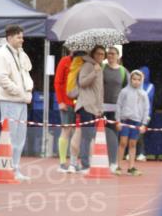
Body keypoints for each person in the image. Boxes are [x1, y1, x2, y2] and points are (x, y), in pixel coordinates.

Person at [0, 25, 34, 180]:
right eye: (19, 37)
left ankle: (15, 167)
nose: (22, 40)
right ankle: (7, 166)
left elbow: (26, 71)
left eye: (22, 37)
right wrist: (20, 92)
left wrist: (27, 91)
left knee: (20, 136)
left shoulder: (19, 53)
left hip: (21, 100)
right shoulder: (2, 54)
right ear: (9, 38)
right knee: (10, 135)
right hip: (10, 100)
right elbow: (2, 78)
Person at [75, 44, 106, 173]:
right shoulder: (88, 66)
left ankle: (86, 163)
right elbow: (82, 82)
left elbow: (99, 91)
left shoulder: (99, 67)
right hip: (86, 106)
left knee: (90, 136)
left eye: (102, 54)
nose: (100, 56)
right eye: (98, 53)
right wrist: (94, 72)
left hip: (94, 107)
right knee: (87, 136)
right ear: (93, 54)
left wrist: (100, 107)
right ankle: (84, 165)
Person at [115, 69, 150, 175]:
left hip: (137, 122)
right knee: (123, 143)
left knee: (133, 144)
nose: (136, 81)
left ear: (141, 80)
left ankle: (131, 167)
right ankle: (118, 166)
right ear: (130, 79)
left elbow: (146, 109)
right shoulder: (124, 92)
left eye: (138, 80)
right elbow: (119, 105)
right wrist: (118, 121)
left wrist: (144, 124)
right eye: (134, 79)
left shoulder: (143, 94)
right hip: (125, 121)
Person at [102, 46, 129, 172]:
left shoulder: (123, 71)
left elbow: (127, 91)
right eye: (108, 54)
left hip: (116, 109)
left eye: (113, 54)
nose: (110, 56)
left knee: (113, 136)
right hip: (101, 107)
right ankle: (98, 161)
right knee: (99, 136)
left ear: (118, 56)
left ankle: (113, 162)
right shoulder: (102, 68)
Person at [54, 46, 77, 173]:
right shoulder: (64, 61)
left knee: (76, 132)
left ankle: (74, 162)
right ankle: (62, 162)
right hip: (66, 103)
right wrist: (60, 101)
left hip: (78, 103)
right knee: (66, 131)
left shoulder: (83, 62)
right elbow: (57, 82)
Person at [135, 66, 155, 161]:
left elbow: (146, 95)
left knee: (140, 133)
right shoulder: (134, 86)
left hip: (146, 114)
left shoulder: (151, 86)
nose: (141, 76)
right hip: (135, 113)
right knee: (133, 133)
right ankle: (134, 153)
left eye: (143, 74)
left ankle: (142, 153)